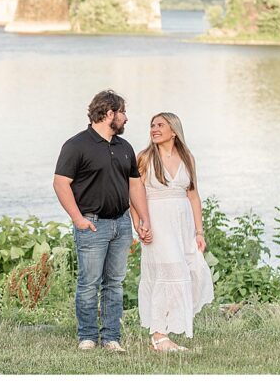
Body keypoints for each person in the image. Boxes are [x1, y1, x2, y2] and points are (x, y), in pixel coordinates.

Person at [53, 90, 153, 353]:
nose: (126, 118)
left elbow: (135, 185)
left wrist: (143, 219)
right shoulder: (76, 145)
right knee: (89, 283)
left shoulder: (125, 147)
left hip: (121, 225)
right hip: (92, 225)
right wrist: (78, 219)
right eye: (122, 113)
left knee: (115, 283)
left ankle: (111, 338)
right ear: (109, 113)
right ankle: (87, 337)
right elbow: (61, 184)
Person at [132, 112, 214, 352]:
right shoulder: (145, 158)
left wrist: (199, 232)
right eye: (152, 125)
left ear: (174, 130)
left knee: (193, 270)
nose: (154, 129)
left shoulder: (187, 157)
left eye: (160, 125)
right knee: (167, 274)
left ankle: (166, 328)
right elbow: (134, 195)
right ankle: (159, 336)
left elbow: (193, 195)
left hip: (183, 225)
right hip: (157, 223)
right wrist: (139, 224)